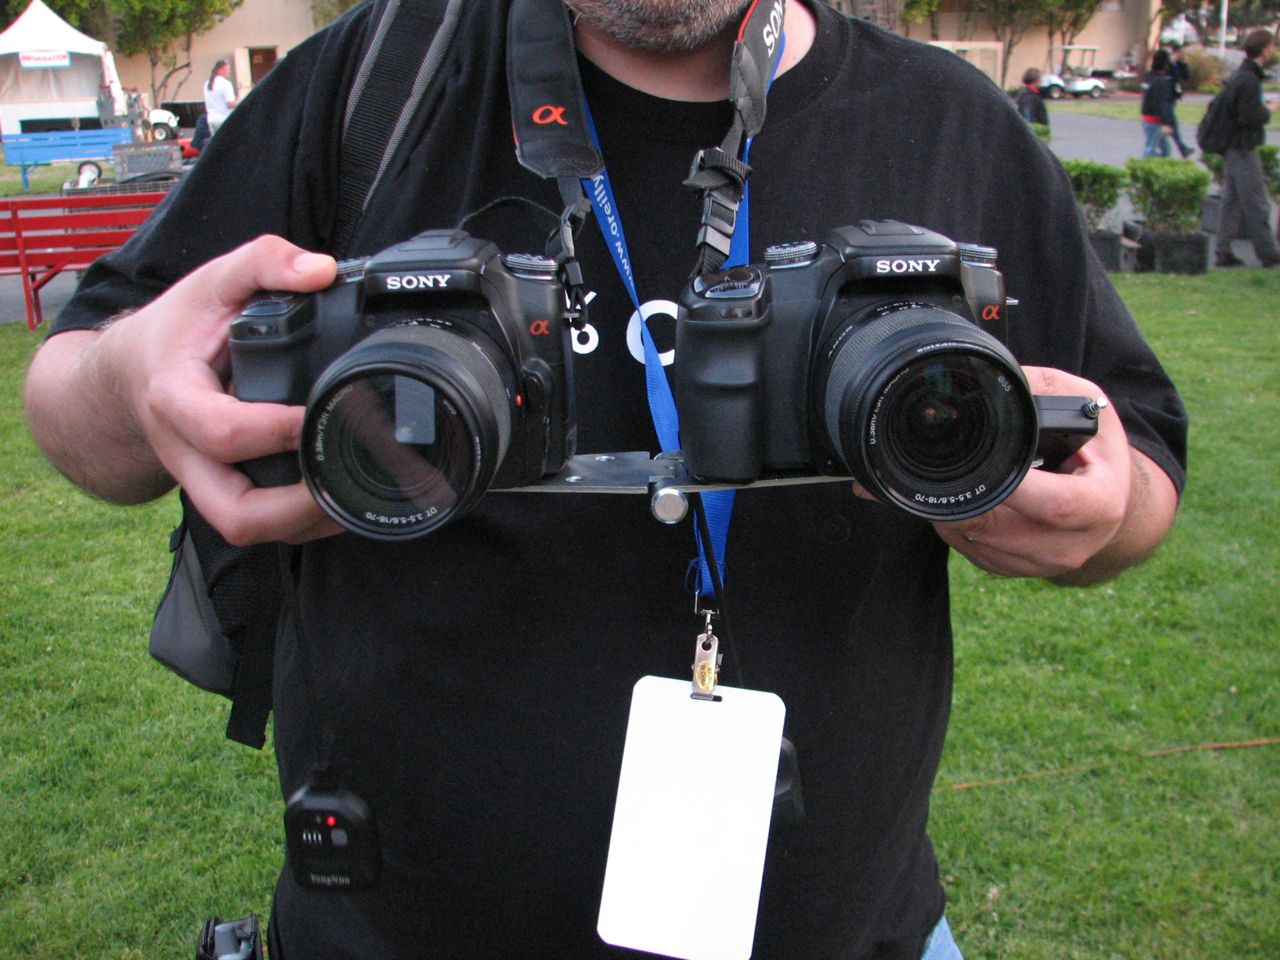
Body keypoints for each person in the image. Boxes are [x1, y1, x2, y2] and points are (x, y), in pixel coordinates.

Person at [22, 1, 1186, 958]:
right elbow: (70, 398)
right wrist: (130, 376)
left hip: (851, 934)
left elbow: (1133, 458)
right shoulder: (367, 81)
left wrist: (1102, 509)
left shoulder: (948, 124)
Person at [1215, 29, 1280, 269]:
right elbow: (1249, 116)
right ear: (1264, 50)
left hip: (1233, 146)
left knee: (1231, 201)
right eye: (1271, 47)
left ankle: (1223, 250)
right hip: (1243, 147)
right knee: (1256, 202)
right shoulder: (1249, 80)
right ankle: (1268, 253)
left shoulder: (1240, 75)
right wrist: (1270, 109)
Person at [1140, 49, 1176, 158]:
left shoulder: (1148, 78)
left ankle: (1158, 169)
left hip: (1147, 118)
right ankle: (1144, 170)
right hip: (1155, 121)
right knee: (1151, 148)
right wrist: (1166, 123)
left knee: (1165, 149)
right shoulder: (1160, 82)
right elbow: (1160, 104)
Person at [1167, 45, 1195, 158]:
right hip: (1167, 98)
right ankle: (1182, 148)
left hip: (1173, 96)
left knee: (1169, 125)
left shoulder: (1179, 65)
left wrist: (1183, 64)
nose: (1181, 55)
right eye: (1180, 53)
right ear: (1175, 52)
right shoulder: (1168, 65)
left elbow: (1186, 76)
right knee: (1172, 124)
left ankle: (1182, 148)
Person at [203, 59, 238, 135]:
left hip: (212, 119)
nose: (229, 71)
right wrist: (240, 102)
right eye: (227, 69)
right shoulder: (226, 84)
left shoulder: (207, 84)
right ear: (220, 70)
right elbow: (230, 104)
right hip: (224, 119)